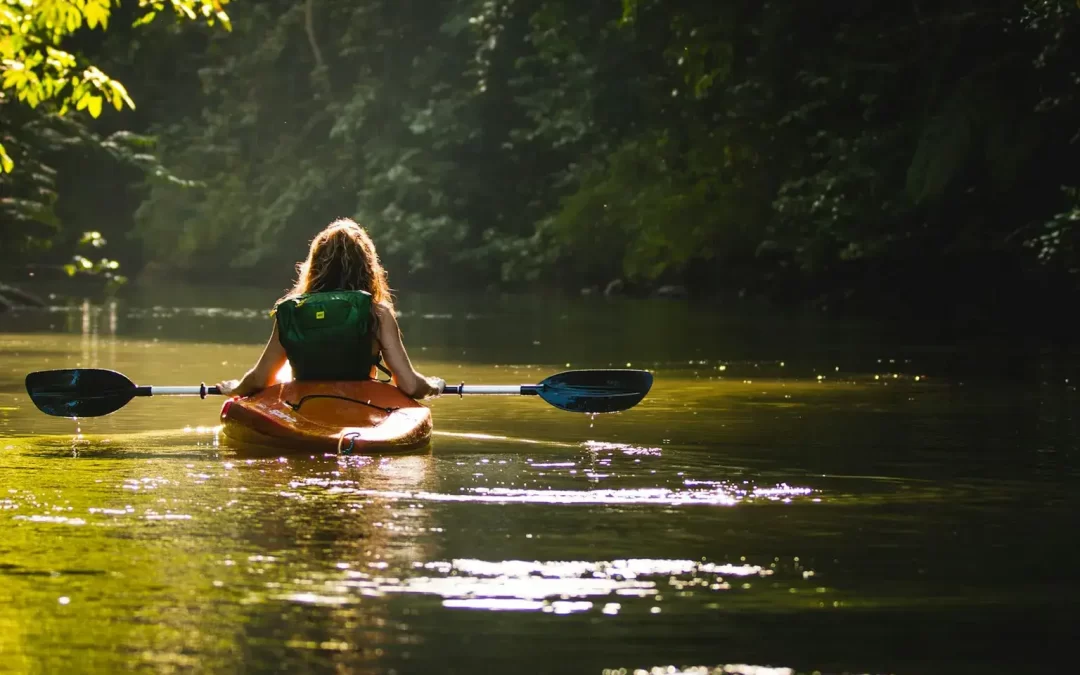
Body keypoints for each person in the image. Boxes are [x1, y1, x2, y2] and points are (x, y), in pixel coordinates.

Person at [216, 219, 445, 399]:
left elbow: (260, 379)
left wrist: (235, 388)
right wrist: (433, 386)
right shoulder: (378, 314)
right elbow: (410, 385)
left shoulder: (293, 311)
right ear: (368, 268)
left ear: (314, 266)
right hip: (360, 407)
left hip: (304, 406)